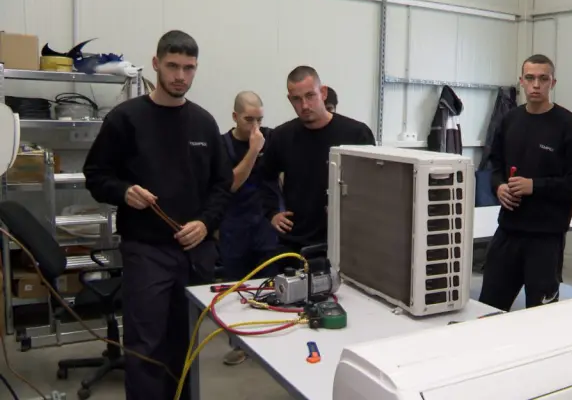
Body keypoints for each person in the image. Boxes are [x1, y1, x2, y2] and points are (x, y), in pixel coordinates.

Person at [83, 30, 232, 400]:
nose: (180, 76)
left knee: (186, 343)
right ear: (156, 64)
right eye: (172, 66)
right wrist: (123, 191)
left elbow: (222, 185)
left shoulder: (203, 123)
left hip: (194, 253)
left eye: (188, 68)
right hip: (146, 252)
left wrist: (205, 223)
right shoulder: (125, 119)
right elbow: (96, 175)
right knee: (146, 347)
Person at [478, 54, 572, 311]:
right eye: (530, 78)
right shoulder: (509, 121)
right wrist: (499, 187)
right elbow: (494, 166)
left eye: (543, 79)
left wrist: (534, 186)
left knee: (541, 315)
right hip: (508, 231)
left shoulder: (569, 126)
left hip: (546, 238)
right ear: (521, 81)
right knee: (488, 308)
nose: (536, 85)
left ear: (553, 82)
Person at [259, 66, 375, 259]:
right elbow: (264, 178)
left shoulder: (356, 134)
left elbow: (374, 185)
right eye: (297, 99)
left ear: (323, 93)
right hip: (296, 242)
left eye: (310, 95)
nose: (304, 105)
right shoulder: (281, 136)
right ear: (289, 99)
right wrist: (271, 212)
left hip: (346, 242)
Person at [218, 91, 281, 365]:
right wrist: (254, 150)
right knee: (238, 290)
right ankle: (239, 343)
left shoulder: (272, 139)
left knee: (270, 285)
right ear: (235, 116)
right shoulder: (222, 145)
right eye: (248, 120)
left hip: (265, 225)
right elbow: (230, 184)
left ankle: (270, 340)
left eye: (259, 120)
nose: (255, 126)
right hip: (235, 226)